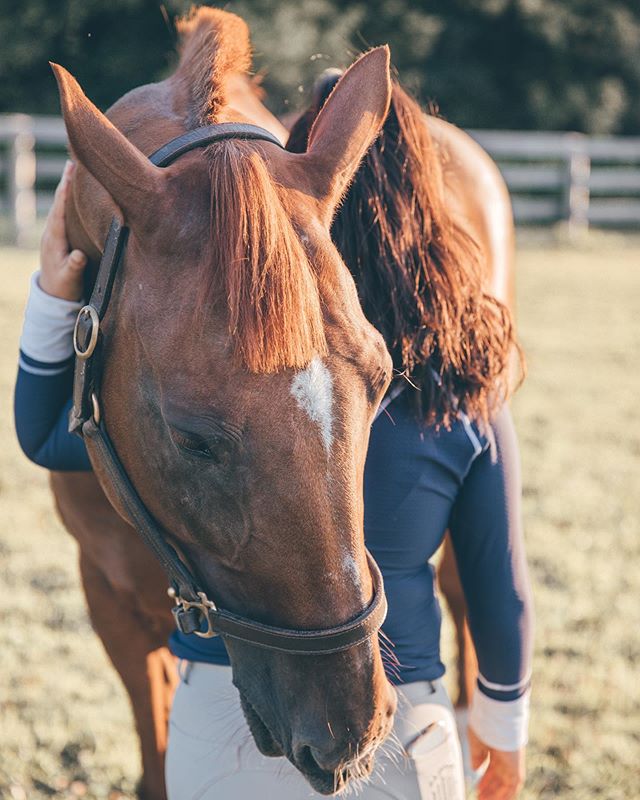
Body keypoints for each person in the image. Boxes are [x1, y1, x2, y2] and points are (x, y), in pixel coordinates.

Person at [15, 79, 533, 800]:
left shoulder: (223, 408)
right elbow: (500, 591)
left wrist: (50, 293)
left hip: (213, 719)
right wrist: (504, 730)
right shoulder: (469, 412)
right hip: (408, 721)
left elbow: (44, 435)